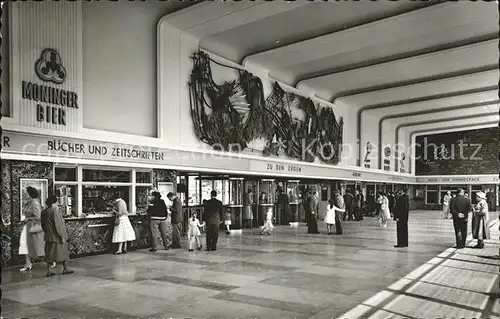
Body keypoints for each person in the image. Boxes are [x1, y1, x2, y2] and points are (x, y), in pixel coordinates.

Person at [40, 195, 73, 277]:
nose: (58, 203)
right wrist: (62, 236)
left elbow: (43, 225)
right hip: (57, 237)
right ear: (53, 203)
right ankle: (66, 269)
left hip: (48, 236)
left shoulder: (43, 212)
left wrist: (47, 232)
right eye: (57, 202)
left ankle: (49, 270)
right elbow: (58, 225)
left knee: (49, 254)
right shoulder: (55, 212)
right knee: (64, 253)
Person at [19, 186, 45, 272]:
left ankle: (51, 260)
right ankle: (28, 263)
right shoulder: (29, 202)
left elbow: (39, 217)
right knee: (24, 245)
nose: (25, 194)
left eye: (26, 192)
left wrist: (28, 219)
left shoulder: (34, 203)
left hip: (32, 227)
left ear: (30, 194)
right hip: (28, 226)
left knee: (30, 245)